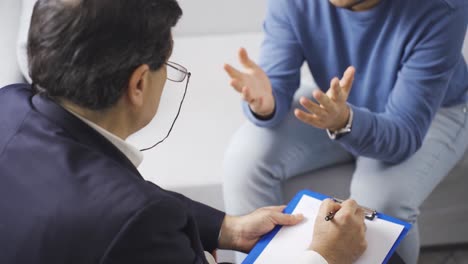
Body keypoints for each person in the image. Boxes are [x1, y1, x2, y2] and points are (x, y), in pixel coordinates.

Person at [0, 0, 368, 263]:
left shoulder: (9, 104)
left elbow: (115, 201)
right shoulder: (139, 224)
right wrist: (325, 257)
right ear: (139, 83)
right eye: (168, 65)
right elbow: (128, 215)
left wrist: (226, 228)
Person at [223, 0, 468, 263]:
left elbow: (403, 134)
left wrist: (345, 121)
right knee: (244, 159)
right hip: (338, 102)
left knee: (379, 205)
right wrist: (266, 103)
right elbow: (277, 82)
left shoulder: (444, 7)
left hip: (431, 113)